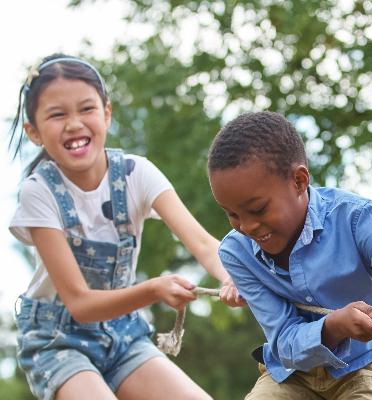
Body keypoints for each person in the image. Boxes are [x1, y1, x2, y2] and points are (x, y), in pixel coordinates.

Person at [7, 54, 243, 400]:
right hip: (58, 340)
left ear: (106, 113)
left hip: (122, 334)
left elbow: (204, 245)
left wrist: (232, 277)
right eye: (57, 115)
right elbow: (80, 303)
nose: (74, 124)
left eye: (86, 109)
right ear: (34, 132)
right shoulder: (38, 192)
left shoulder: (137, 174)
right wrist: (152, 290)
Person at [208, 111, 372, 399]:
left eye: (257, 209)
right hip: (291, 374)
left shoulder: (357, 218)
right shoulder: (236, 253)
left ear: (299, 181)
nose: (246, 226)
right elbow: (283, 340)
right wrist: (332, 327)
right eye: (232, 214)